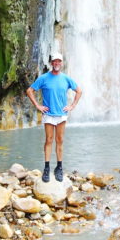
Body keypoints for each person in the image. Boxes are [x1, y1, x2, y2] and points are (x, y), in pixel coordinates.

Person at [27, 51, 82, 182]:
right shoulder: (44, 78)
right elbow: (29, 90)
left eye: (59, 61)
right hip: (48, 115)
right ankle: (46, 168)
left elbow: (79, 91)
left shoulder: (66, 78)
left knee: (60, 140)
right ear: (51, 63)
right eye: (54, 61)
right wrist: (38, 105)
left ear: (61, 63)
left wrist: (72, 105)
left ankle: (59, 167)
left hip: (62, 115)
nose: (56, 63)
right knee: (49, 140)